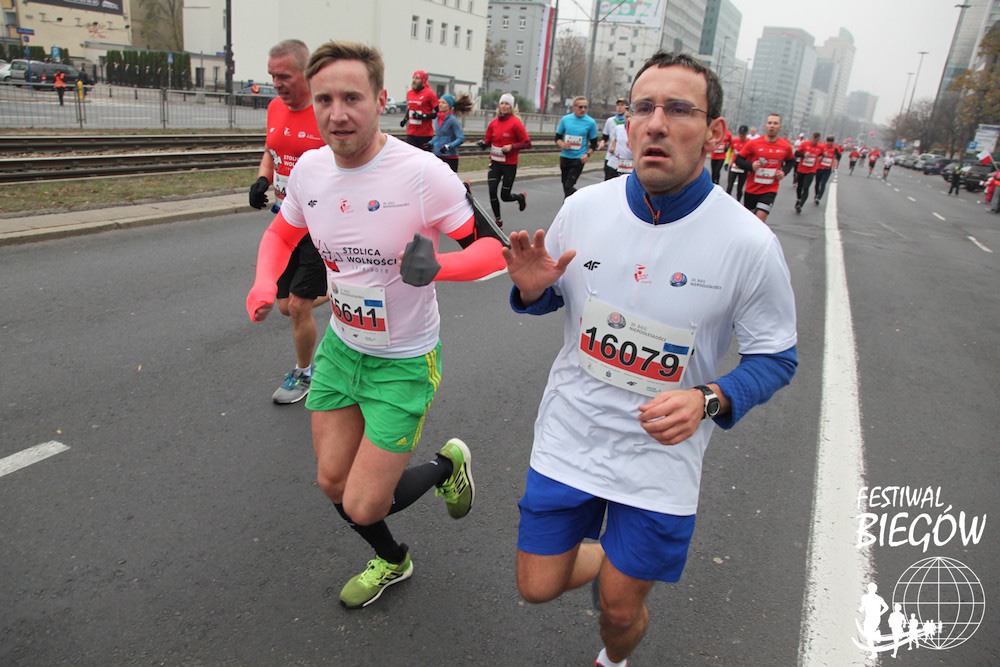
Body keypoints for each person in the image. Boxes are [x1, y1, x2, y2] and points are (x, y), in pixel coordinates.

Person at [503, 51, 797, 667]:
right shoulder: (586, 208)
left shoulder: (749, 243)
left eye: (679, 109)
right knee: (536, 587)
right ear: (628, 123)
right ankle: (611, 559)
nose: (657, 123)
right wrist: (531, 291)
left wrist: (709, 398)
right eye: (644, 108)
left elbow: (776, 357)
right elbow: (548, 297)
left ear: (715, 133)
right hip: (571, 435)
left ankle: (614, 658)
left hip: (659, 458)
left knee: (618, 611)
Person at [246, 40, 507, 610]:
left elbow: (494, 251)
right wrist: (265, 282)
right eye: (325, 100)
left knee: (364, 503)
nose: (337, 113)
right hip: (341, 349)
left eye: (352, 98)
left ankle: (446, 465)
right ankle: (393, 560)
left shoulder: (423, 174)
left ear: (381, 100)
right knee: (332, 483)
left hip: (404, 359)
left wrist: (440, 267)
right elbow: (281, 233)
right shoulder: (311, 170)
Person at [247, 39, 329, 404]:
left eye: (283, 76)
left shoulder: (325, 112)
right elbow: (272, 150)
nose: (276, 84)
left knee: (298, 306)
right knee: (285, 305)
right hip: (285, 220)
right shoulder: (274, 107)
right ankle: (344, 292)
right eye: (272, 76)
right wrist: (262, 179)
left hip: (318, 224)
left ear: (306, 74)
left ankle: (304, 373)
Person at [477, 93, 531, 226]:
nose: (504, 106)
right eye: (502, 103)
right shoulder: (493, 123)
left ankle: (520, 197)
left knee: (504, 196)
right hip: (495, 163)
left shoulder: (516, 123)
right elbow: (488, 141)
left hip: (509, 165)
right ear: (499, 106)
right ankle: (498, 220)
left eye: (507, 104)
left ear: (511, 107)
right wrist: (483, 144)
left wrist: (512, 147)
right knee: (492, 191)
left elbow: (527, 143)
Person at [736, 114, 796, 223]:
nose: (772, 126)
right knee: (749, 221)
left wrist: (784, 172)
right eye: (770, 123)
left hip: (770, 190)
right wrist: (751, 166)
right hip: (752, 189)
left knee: (760, 218)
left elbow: (791, 161)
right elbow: (738, 160)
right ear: (766, 125)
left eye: (775, 123)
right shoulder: (754, 143)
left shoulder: (785, 146)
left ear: (780, 127)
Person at [556, 96, 599, 198]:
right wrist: (563, 145)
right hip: (565, 157)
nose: (583, 109)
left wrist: (587, 154)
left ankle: (580, 200)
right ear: (574, 107)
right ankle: (571, 203)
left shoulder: (590, 122)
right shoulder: (565, 119)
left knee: (568, 186)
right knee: (565, 186)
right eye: (580, 107)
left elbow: (594, 144)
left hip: (579, 158)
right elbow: (557, 138)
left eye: (585, 107)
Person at [429, 92, 472, 172]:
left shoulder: (453, 120)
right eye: (439, 102)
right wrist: (430, 143)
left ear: (449, 105)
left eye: (443, 103)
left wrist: (448, 146)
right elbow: (439, 135)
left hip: (450, 157)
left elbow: (460, 138)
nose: (440, 104)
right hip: (438, 154)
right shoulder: (437, 118)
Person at [401, 69, 438, 150]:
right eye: (413, 78)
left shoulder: (430, 94)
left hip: (425, 134)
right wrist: (405, 120)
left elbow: (438, 113)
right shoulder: (410, 93)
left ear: (423, 81)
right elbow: (410, 109)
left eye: (417, 78)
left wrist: (423, 116)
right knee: (409, 154)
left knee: (424, 156)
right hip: (411, 133)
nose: (414, 80)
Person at [793, 132, 823, 213]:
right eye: (814, 139)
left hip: (811, 170)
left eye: (817, 140)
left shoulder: (820, 147)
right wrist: (803, 155)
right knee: (799, 186)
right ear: (812, 137)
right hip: (801, 169)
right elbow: (796, 153)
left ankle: (800, 205)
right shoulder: (805, 144)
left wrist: (820, 157)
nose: (815, 142)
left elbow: (822, 154)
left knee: (806, 187)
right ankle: (799, 199)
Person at [601, 98, 628, 180]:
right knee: (608, 180)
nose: (619, 107)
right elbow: (605, 136)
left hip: (625, 159)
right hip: (611, 157)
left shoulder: (629, 122)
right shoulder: (610, 121)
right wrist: (602, 143)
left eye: (622, 105)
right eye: (618, 105)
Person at [725, 124, 750, 200]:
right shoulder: (734, 140)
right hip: (734, 166)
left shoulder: (750, 142)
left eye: (743, 134)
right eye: (740, 134)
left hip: (743, 168)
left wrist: (749, 167)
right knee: (729, 186)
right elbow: (730, 151)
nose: (741, 136)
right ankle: (727, 201)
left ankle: (738, 201)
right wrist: (727, 162)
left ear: (746, 133)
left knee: (739, 188)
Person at [813, 136, 840, 204]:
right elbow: (817, 155)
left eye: (831, 142)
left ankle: (818, 198)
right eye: (829, 141)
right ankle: (816, 194)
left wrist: (837, 153)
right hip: (819, 167)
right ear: (827, 141)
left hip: (827, 169)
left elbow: (839, 157)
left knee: (823, 183)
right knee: (817, 183)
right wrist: (822, 155)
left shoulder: (835, 148)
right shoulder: (822, 147)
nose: (830, 143)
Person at [608, 109, 633, 176]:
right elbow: (615, 139)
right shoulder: (618, 128)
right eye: (626, 117)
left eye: (630, 117)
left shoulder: (638, 131)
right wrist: (613, 147)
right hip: (617, 160)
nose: (628, 119)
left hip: (630, 162)